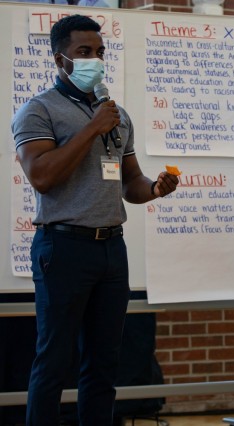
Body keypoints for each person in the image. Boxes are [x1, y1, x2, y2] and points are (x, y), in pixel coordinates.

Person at [11, 15, 178, 425]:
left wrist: (156, 188)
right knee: (54, 362)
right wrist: (91, 129)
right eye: (84, 52)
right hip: (63, 248)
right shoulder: (37, 111)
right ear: (60, 59)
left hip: (110, 249)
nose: (95, 61)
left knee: (104, 364)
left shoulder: (117, 115)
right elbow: (43, 177)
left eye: (100, 53)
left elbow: (130, 183)